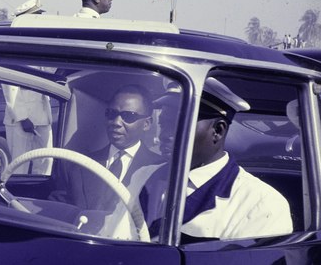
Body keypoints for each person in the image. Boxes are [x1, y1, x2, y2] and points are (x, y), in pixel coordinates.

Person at [179, 79, 292, 240]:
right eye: (164, 120)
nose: (162, 132)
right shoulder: (145, 175)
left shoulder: (261, 204)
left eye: (178, 122)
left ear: (218, 130)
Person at [50, 84, 165, 211]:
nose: (116, 122)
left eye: (128, 116)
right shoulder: (80, 166)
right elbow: (57, 211)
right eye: (111, 113)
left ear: (146, 124)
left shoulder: (160, 171)